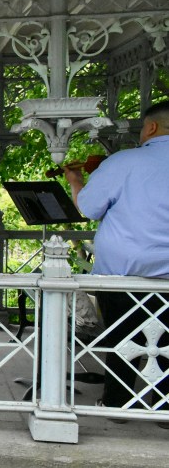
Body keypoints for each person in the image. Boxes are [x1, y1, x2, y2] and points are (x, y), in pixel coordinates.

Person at [65, 101, 169, 421]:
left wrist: (75, 181)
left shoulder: (124, 162)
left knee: (124, 340)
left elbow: (89, 208)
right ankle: (165, 409)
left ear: (151, 127)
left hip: (123, 277)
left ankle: (118, 403)